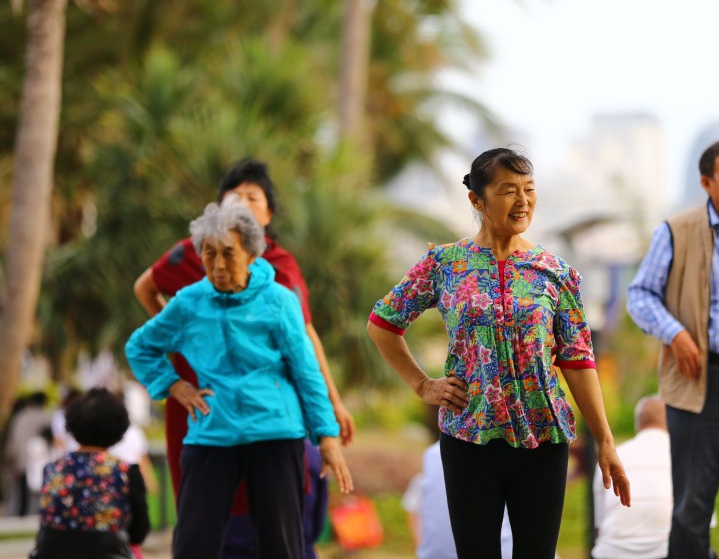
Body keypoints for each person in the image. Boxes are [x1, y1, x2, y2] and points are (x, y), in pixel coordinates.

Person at [368, 147, 630, 559]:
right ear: (477, 199)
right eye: (508, 190)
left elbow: (578, 360)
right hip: (469, 436)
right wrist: (422, 384)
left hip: (543, 437)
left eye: (528, 188)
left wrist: (606, 442)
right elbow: (383, 322)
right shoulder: (445, 264)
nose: (522, 200)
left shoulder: (555, 272)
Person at [132, 159, 354, 555]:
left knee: (281, 546)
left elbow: (306, 372)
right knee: (193, 545)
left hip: (275, 432)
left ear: (251, 253)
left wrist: (327, 437)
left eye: (228, 254)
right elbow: (140, 346)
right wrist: (174, 385)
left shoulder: (279, 300)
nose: (217, 266)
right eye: (208, 254)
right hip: (211, 431)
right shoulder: (189, 303)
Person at [626, 140, 719, 559]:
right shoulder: (676, 230)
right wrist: (675, 334)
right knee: (694, 502)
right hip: (701, 380)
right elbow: (639, 296)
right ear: (706, 182)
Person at [29, 388, 149, 559]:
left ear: (72, 425)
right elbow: (139, 533)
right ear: (119, 428)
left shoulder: (52, 469)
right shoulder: (126, 472)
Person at [403, 405, 514, 559]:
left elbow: (412, 507)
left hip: (433, 553)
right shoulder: (502, 448)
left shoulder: (430, 455)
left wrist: (422, 544)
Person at [592, 396, 672, 559]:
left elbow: (600, 523)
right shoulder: (682, 456)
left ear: (638, 424)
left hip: (613, 553)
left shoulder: (611, 458)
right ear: (670, 422)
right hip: (665, 551)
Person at [3, 391, 51, 516]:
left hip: (21, 460)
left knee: (20, 493)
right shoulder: (46, 418)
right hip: (39, 460)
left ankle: (18, 514)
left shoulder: (21, 417)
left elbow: (13, 441)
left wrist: (12, 459)